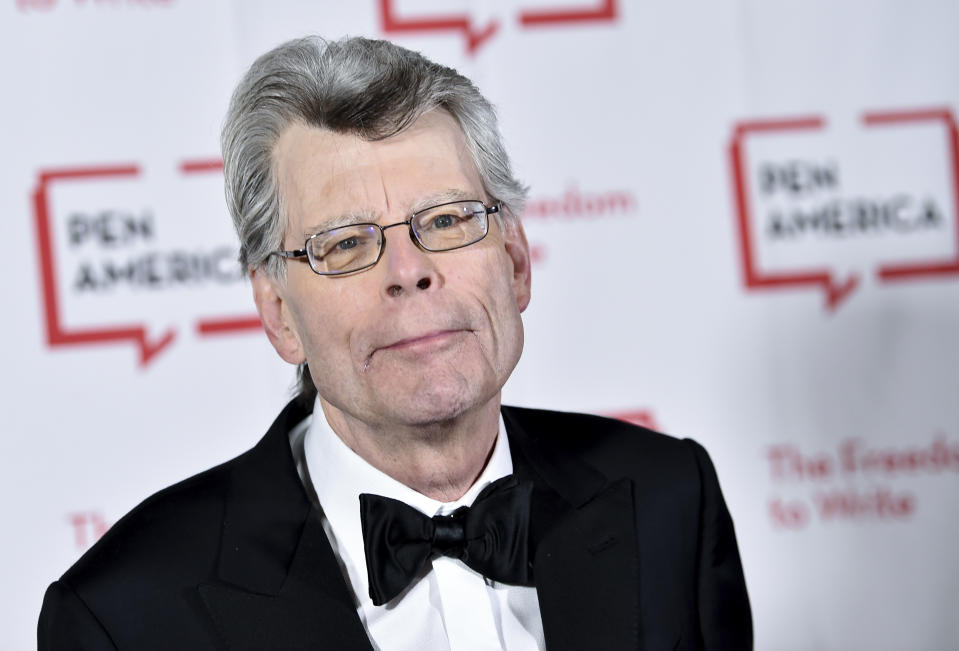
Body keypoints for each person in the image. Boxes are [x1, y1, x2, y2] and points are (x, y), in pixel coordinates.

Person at [38, 35, 751, 650]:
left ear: (516, 261)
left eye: (445, 221)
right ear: (279, 312)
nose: (408, 272)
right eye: (345, 243)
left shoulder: (668, 500)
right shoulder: (124, 616)